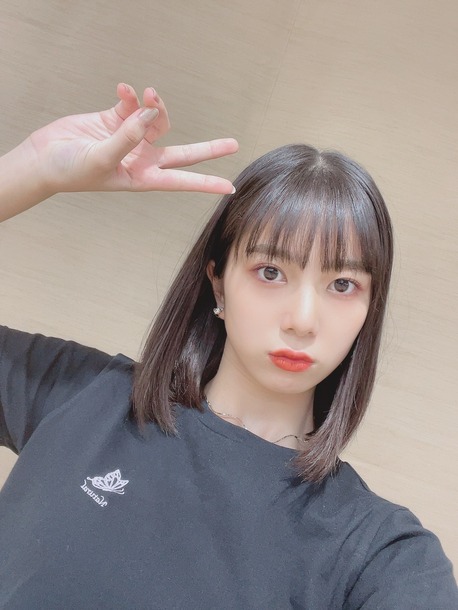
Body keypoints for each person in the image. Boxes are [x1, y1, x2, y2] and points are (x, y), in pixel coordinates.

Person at [0, 84, 456, 609]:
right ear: (218, 281)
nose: (302, 321)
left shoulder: (383, 558)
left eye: (342, 284)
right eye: (270, 272)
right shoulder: (82, 395)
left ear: (369, 309)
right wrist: (36, 167)